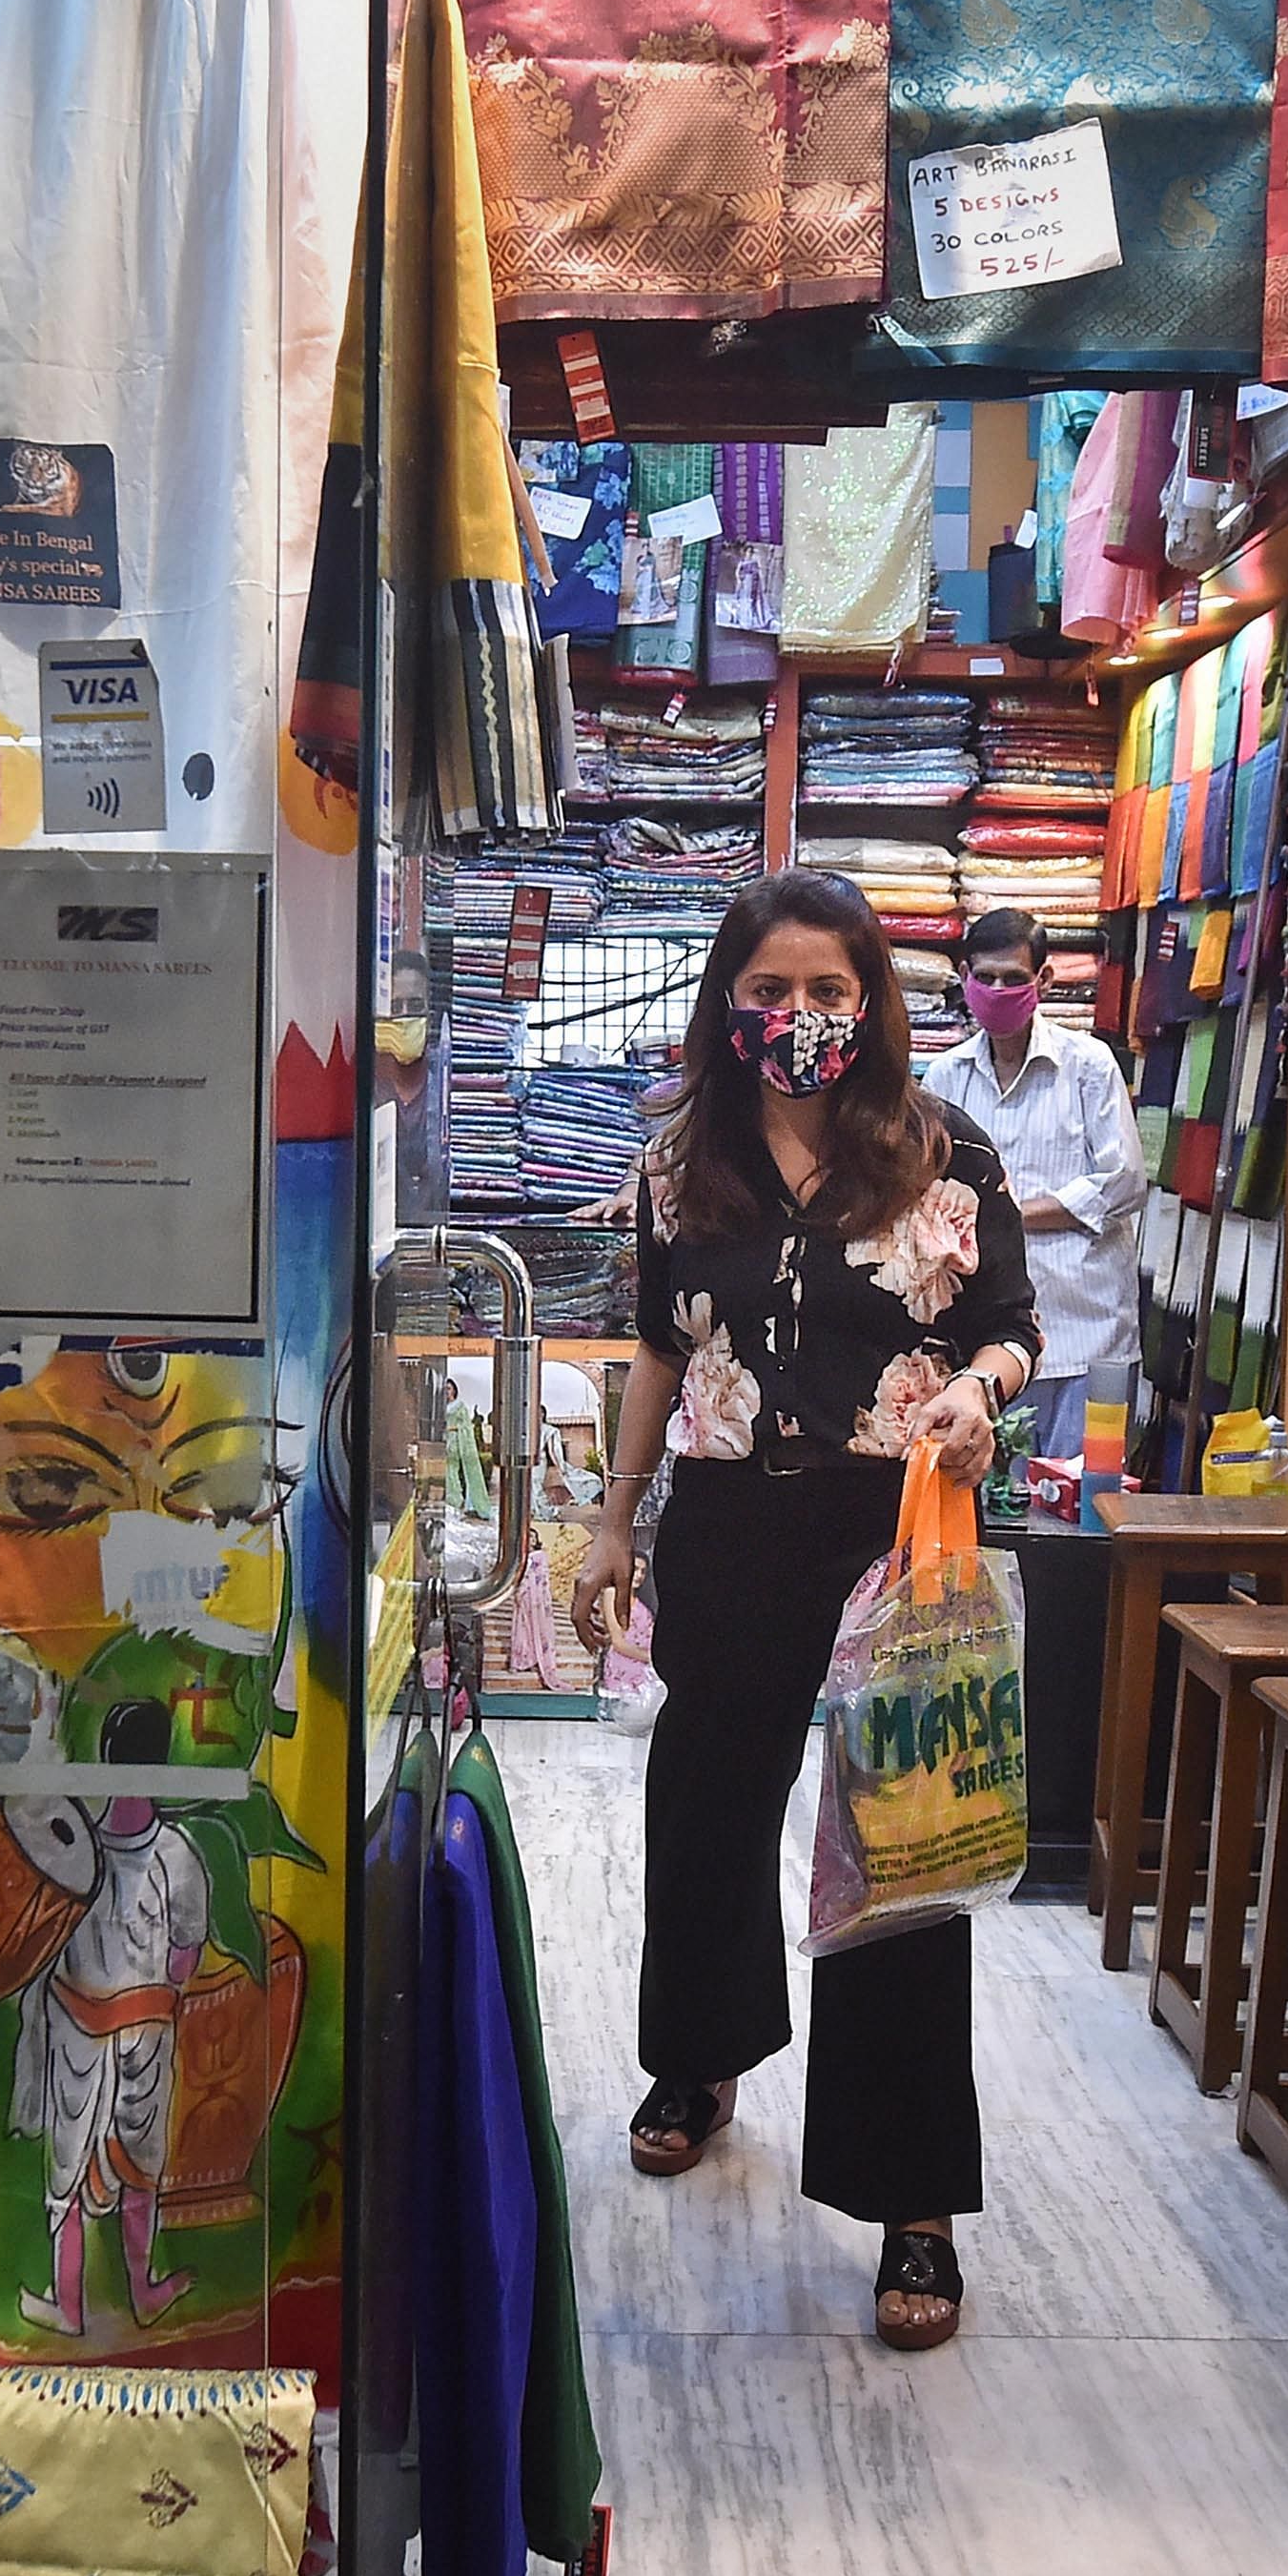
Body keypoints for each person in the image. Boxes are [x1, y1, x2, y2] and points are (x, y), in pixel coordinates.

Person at [564, 870, 1038, 2352]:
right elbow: (656, 1346)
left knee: (899, 1847)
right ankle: (700, 2059)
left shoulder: (947, 1158)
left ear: (874, 999)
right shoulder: (677, 1166)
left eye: (831, 989)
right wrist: (611, 1517)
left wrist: (975, 1392)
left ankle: (912, 2198)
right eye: (770, 989)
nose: (801, 1016)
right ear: (727, 1001)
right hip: (726, 1522)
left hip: (891, 1526)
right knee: (703, 1800)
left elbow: (1014, 1328)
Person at [916, 905, 1148, 1479]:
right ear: (965, 976)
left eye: (1014, 979)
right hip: (987, 1344)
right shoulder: (944, 1078)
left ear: (1043, 980)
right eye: (985, 977)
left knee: (1081, 1510)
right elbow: (925, 1192)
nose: (998, 990)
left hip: (1088, 1330)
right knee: (989, 1512)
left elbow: (1123, 1183)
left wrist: (1003, 1215)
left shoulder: (1088, 1065)